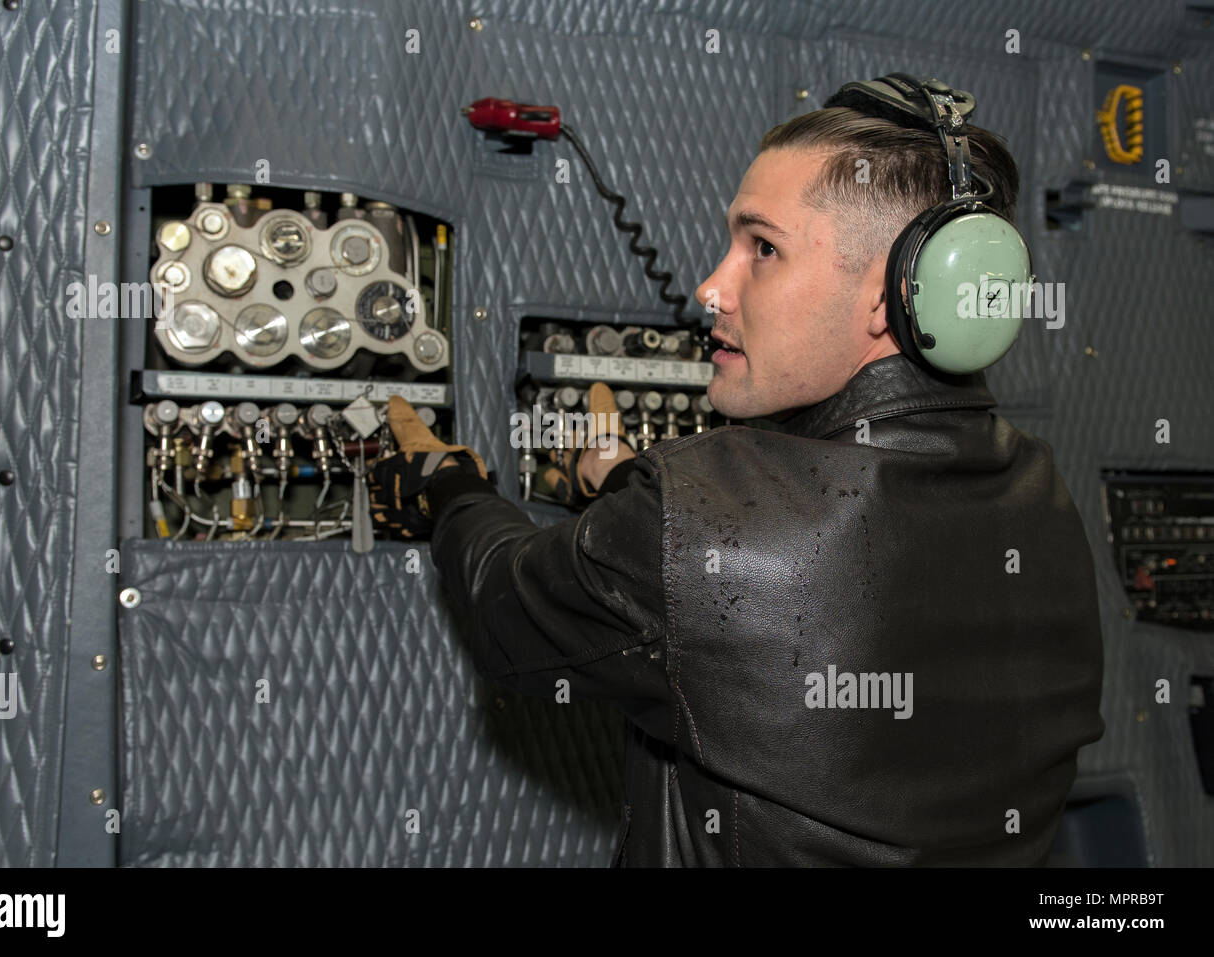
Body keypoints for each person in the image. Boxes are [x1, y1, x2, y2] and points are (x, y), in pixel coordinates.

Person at [369, 76, 1105, 866]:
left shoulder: (697, 516)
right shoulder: (1044, 500)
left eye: (763, 248)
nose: (711, 288)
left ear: (894, 296)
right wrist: (627, 482)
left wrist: (448, 483)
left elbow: (504, 607)